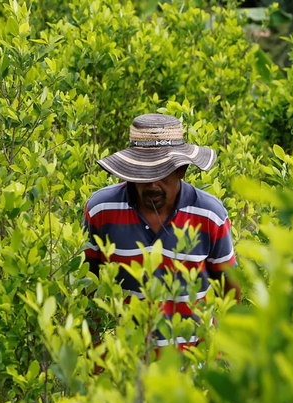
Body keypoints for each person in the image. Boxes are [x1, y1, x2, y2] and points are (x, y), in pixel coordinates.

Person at [83, 113, 240, 351]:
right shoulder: (101, 210)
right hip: (123, 367)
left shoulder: (209, 215)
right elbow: (88, 287)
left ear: (182, 169)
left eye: (162, 172)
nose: (152, 184)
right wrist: (95, 359)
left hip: (192, 368)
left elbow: (230, 290)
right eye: (144, 173)